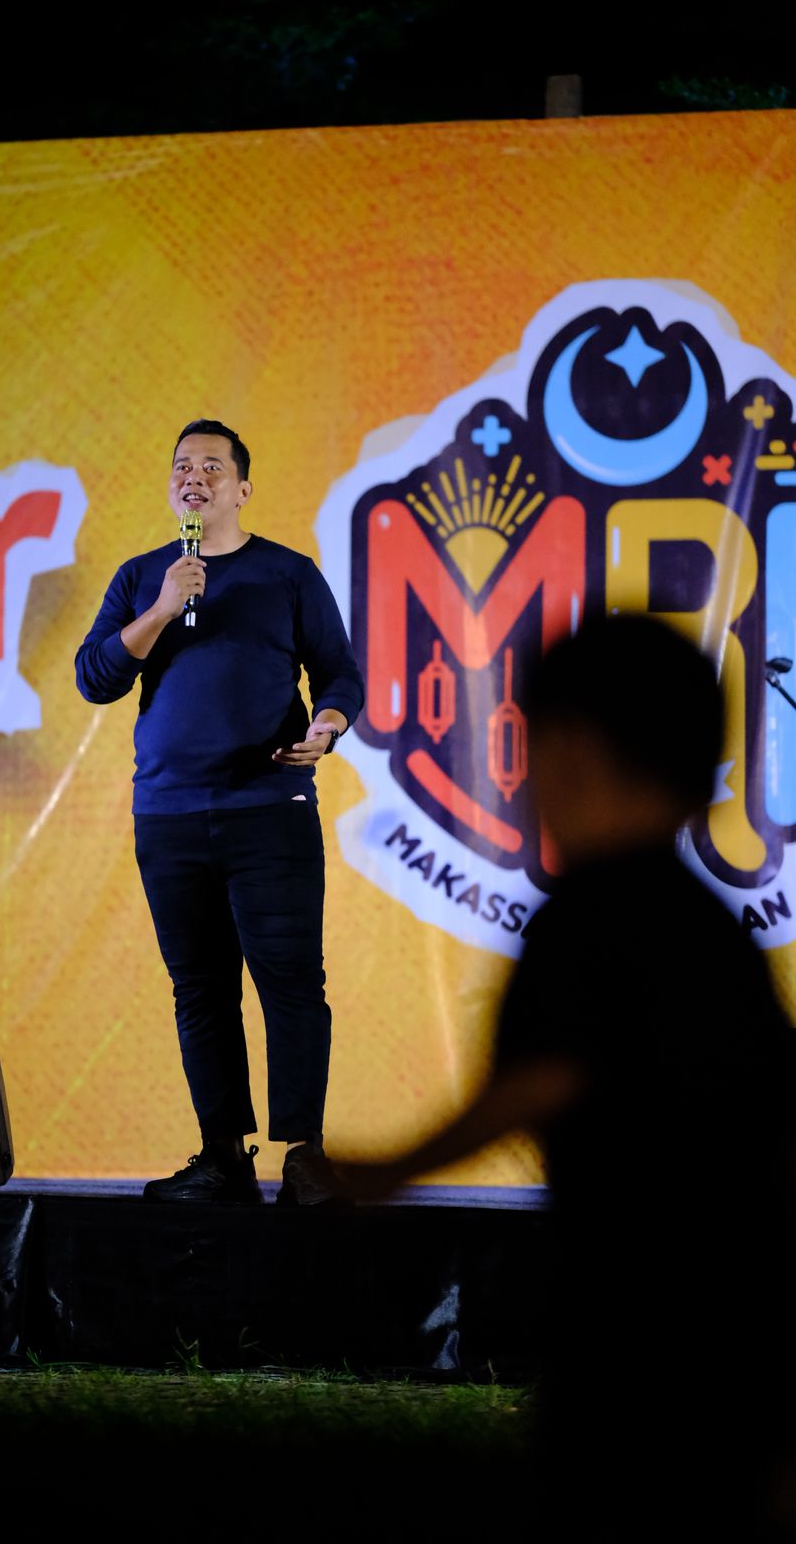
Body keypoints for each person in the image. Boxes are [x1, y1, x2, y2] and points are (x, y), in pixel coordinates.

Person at [333, 616, 796, 1539]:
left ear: (575, 753)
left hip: (634, 1304)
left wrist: (394, 1168)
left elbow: (541, 1080)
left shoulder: (588, 915)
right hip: (743, 1295)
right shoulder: (711, 932)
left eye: (531, 747)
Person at [76, 418, 364, 1206]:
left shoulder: (288, 573)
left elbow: (340, 672)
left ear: (242, 487)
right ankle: (222, 1155)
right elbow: (95, 676)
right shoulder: (145, 577)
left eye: (210, 466)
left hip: (269, 807)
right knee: (200, 988)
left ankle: (304, 1154)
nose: (192, 476)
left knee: (291, 980)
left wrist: (326, 726)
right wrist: (162, 608)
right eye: (181, 466)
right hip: (169, 814)